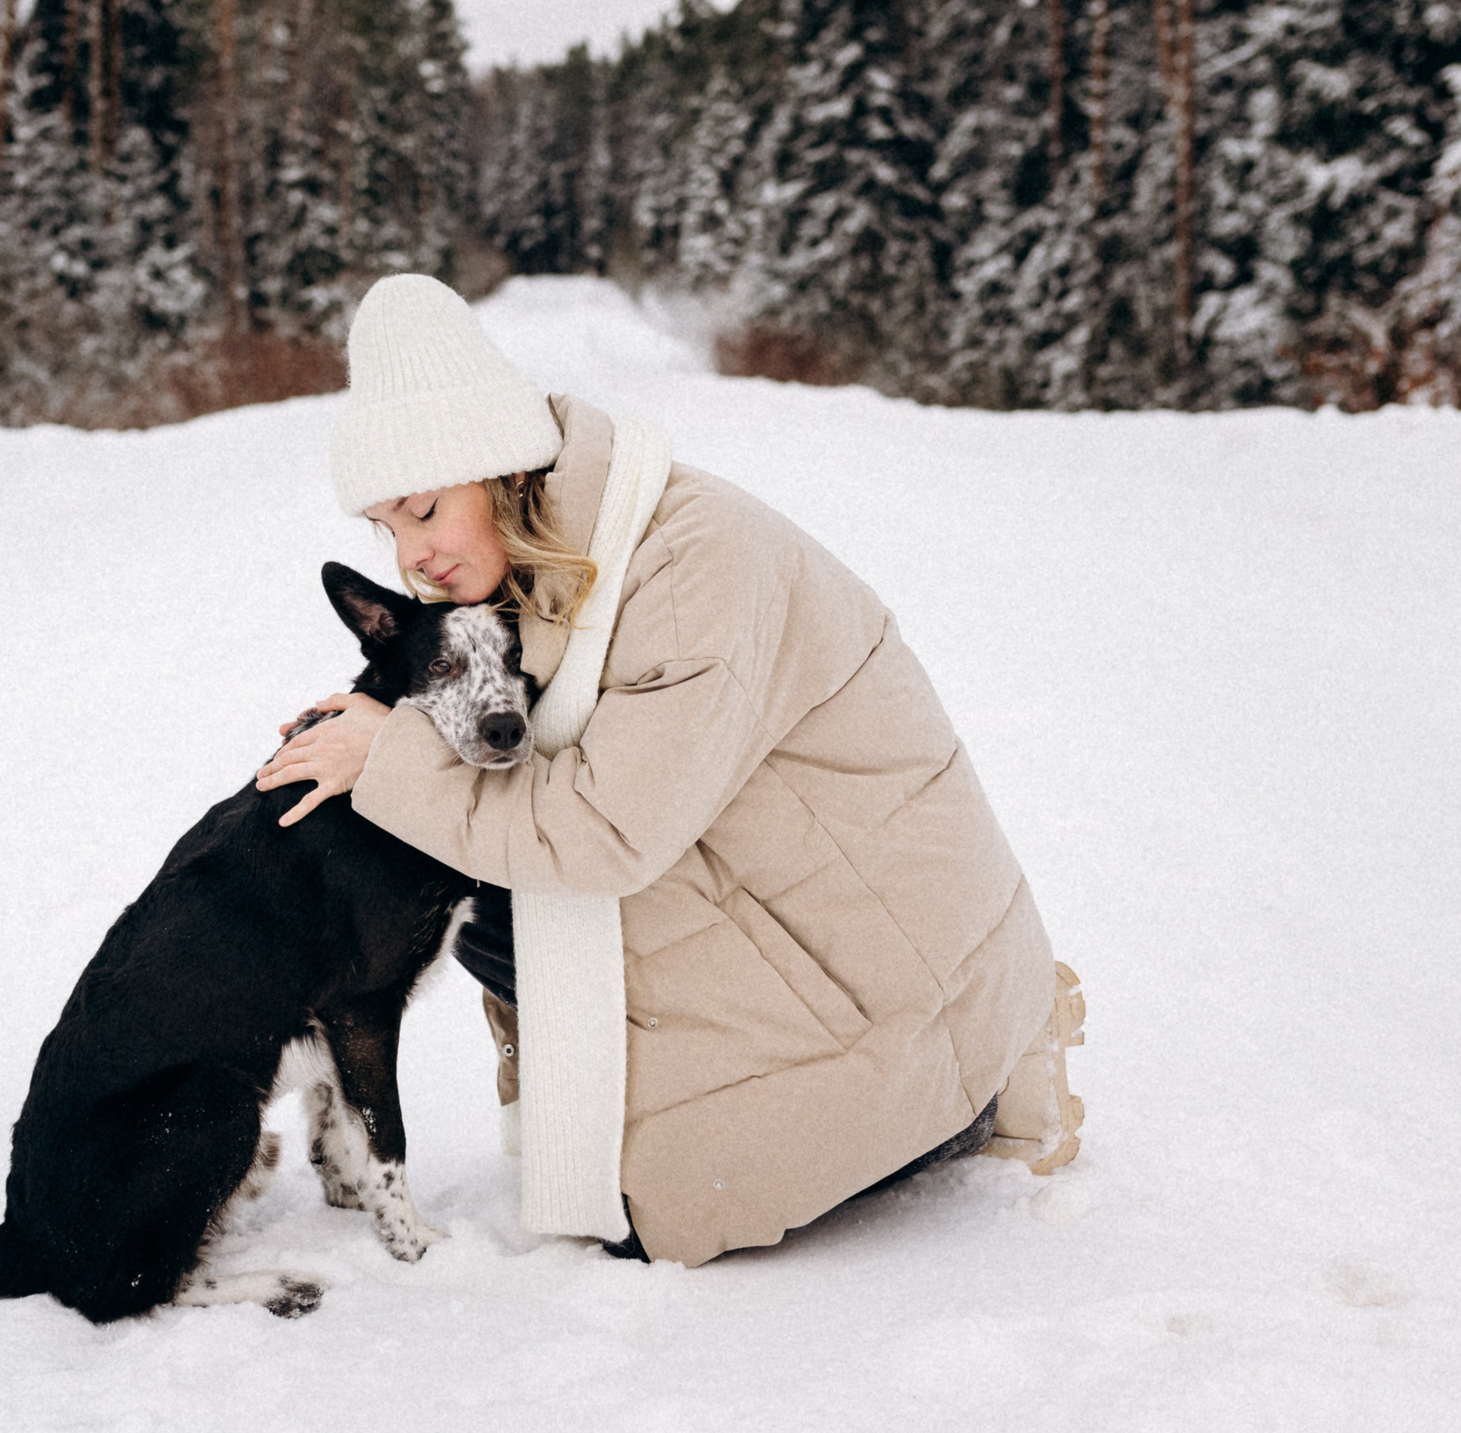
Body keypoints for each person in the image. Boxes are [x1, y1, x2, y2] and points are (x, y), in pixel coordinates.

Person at [256, 274, 1083, 1268]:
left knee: (646, 1204)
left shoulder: (691, 566)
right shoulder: (547, 571)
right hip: (776, 919)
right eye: (386, 528)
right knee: (449, 868)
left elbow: (604, 831)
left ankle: (977, 1083)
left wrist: (391, 761)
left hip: (885, 983)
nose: (412, 555)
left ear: (503, 468)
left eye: (425, 510)